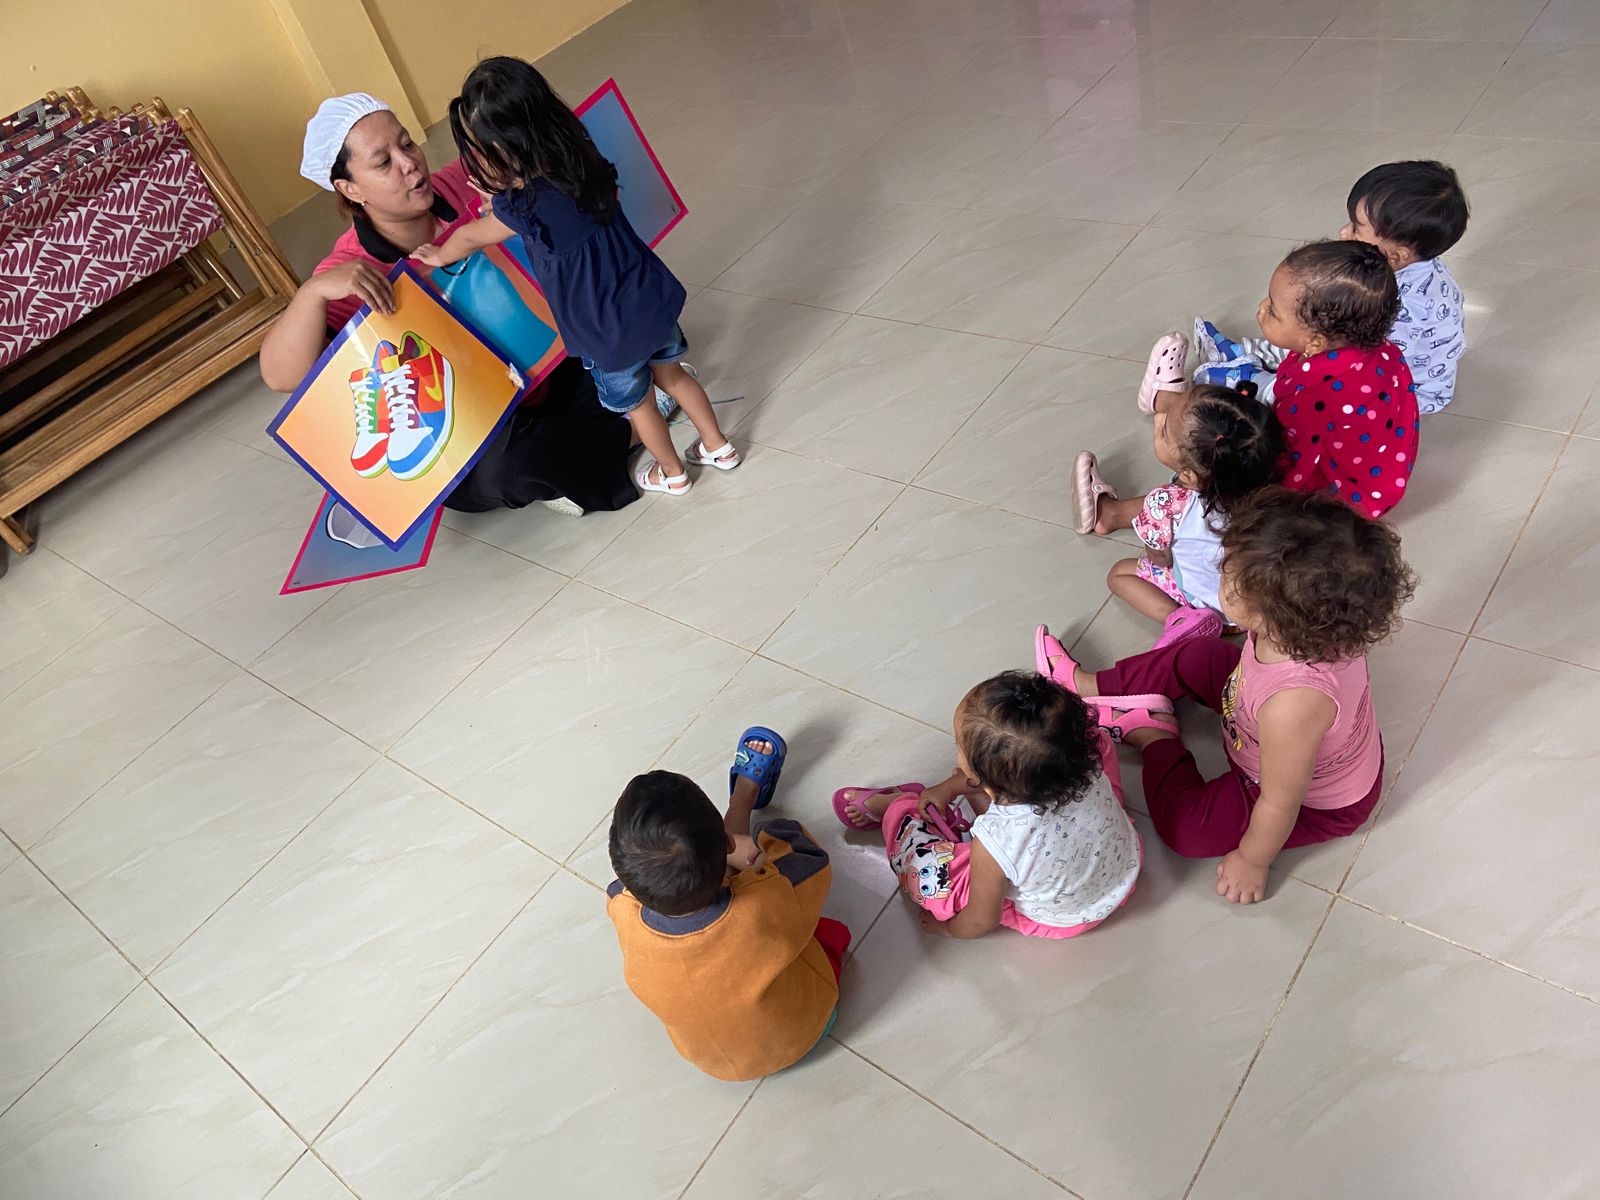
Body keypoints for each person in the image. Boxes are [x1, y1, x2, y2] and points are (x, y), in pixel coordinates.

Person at [258, 92, 639, 515]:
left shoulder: (464, 181)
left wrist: (515, 204)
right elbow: (280, 376)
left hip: (546, 369)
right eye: (383, 163)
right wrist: (311, 293)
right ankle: (632, 430)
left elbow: (558, 159)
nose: (409, 164)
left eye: (407, 143)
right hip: (477, 425)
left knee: (629, 314)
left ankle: (581, 452)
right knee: (510, 467)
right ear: (349, 189)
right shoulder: (350, 270)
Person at [1037, 486, 1417, 905]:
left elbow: (1280, 801)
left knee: (1186, 830)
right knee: (1199, 654)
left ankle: (1152, 732)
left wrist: (1253, 860)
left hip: (1315, 801)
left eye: (1227, 575)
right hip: (1263, 720)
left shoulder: (1294, 704)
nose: (1217, 573)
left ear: (1270, 615)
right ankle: (1087, 685)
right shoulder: (1318, 625)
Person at [414, 57, 737, 498]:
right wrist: (508, 203)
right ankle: (718, 447)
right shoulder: (583, 159)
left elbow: (470, 237)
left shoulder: (520, 208)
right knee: (675, 376)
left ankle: (672, 472)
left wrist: (439, 252)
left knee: (640, 407)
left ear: (504, 147)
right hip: (647, 300)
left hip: (604, 333)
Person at [606, 728, 851, 1082]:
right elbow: (811, 860)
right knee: (811, 924)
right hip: (808, 1030)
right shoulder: (765, 900)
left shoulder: (620, 905)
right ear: (728, 842)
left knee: (699, 891)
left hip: (712, 1064)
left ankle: (741, 800)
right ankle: (743, 800)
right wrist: (765, 840)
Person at [832, 671, 1140, 940]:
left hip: (1063, 919)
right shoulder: (1085, 757)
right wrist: (953, 786)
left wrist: (947, 928)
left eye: (958, 746)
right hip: (1124, 874)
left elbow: (982, 919)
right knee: (1099, 741)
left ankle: (900, 808)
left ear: (984, 780)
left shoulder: (992, 844)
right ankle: (956, 789)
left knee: (931, 877)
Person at [1139, 241, 1418, 520]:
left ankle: (1168, 399)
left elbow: (1293, 465)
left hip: (1346, 497)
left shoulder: (1310, 400)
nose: (1262, 308)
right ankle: (1230, 373)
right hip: (1383, 475)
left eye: (1273, 310)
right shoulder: (1380, 348)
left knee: (1226, 438)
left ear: (1315, 342)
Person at [1194, 160, 1469, 416]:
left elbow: (1367, 368)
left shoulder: (1404, 307)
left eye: (1356, 229)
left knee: (1313, 381)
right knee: (1310, 332)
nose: (1344, 232)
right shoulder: (1411, 265)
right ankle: (1250, 352)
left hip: (1406, 392)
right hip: (1378, 355)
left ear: (1396, 256)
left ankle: (1257, 381)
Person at [1071, 383, 1284, 649]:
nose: (1158, 418)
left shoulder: (1164, 503)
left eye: (1163, 432)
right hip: (1249, 612)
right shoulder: (1273, 497)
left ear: (1188, 476)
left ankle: (1181, 618)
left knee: (1119, 573)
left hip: (1200, 599)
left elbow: (1159, 558)